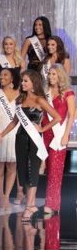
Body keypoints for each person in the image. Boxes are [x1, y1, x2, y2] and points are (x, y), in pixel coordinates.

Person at [0, 70, 60, 221]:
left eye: (26, 81)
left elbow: (57, 117)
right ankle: (30, 204)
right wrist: (1, 134)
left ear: (33, 83)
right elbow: (14, 122)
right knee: (23, 171)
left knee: (33, 169)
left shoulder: (40, 100)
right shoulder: (20, 100)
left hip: (34, 139)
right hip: (21, 138)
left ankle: (29, 206)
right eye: (22, 81)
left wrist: (43, 128)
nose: (22, 83)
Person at [41, 64, 75, 215]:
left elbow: (72, 115)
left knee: (55, 171)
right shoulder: (45, 92)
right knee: (49, 170)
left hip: (59, 135)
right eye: (50, 74)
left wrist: (66, 134)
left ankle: (51, 204)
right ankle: (54, 204)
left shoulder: (68, 93)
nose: (51, 77)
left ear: (60, 75)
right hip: (45, 134)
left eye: (54, 74)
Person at [0, 67, 20, 210]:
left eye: (5, 74)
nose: (1, 77)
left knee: (12, 166)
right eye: (0, 75)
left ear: (12, 78)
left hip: (14, 133)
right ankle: (1, 195)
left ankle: (7, 195)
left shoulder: (20, 94)